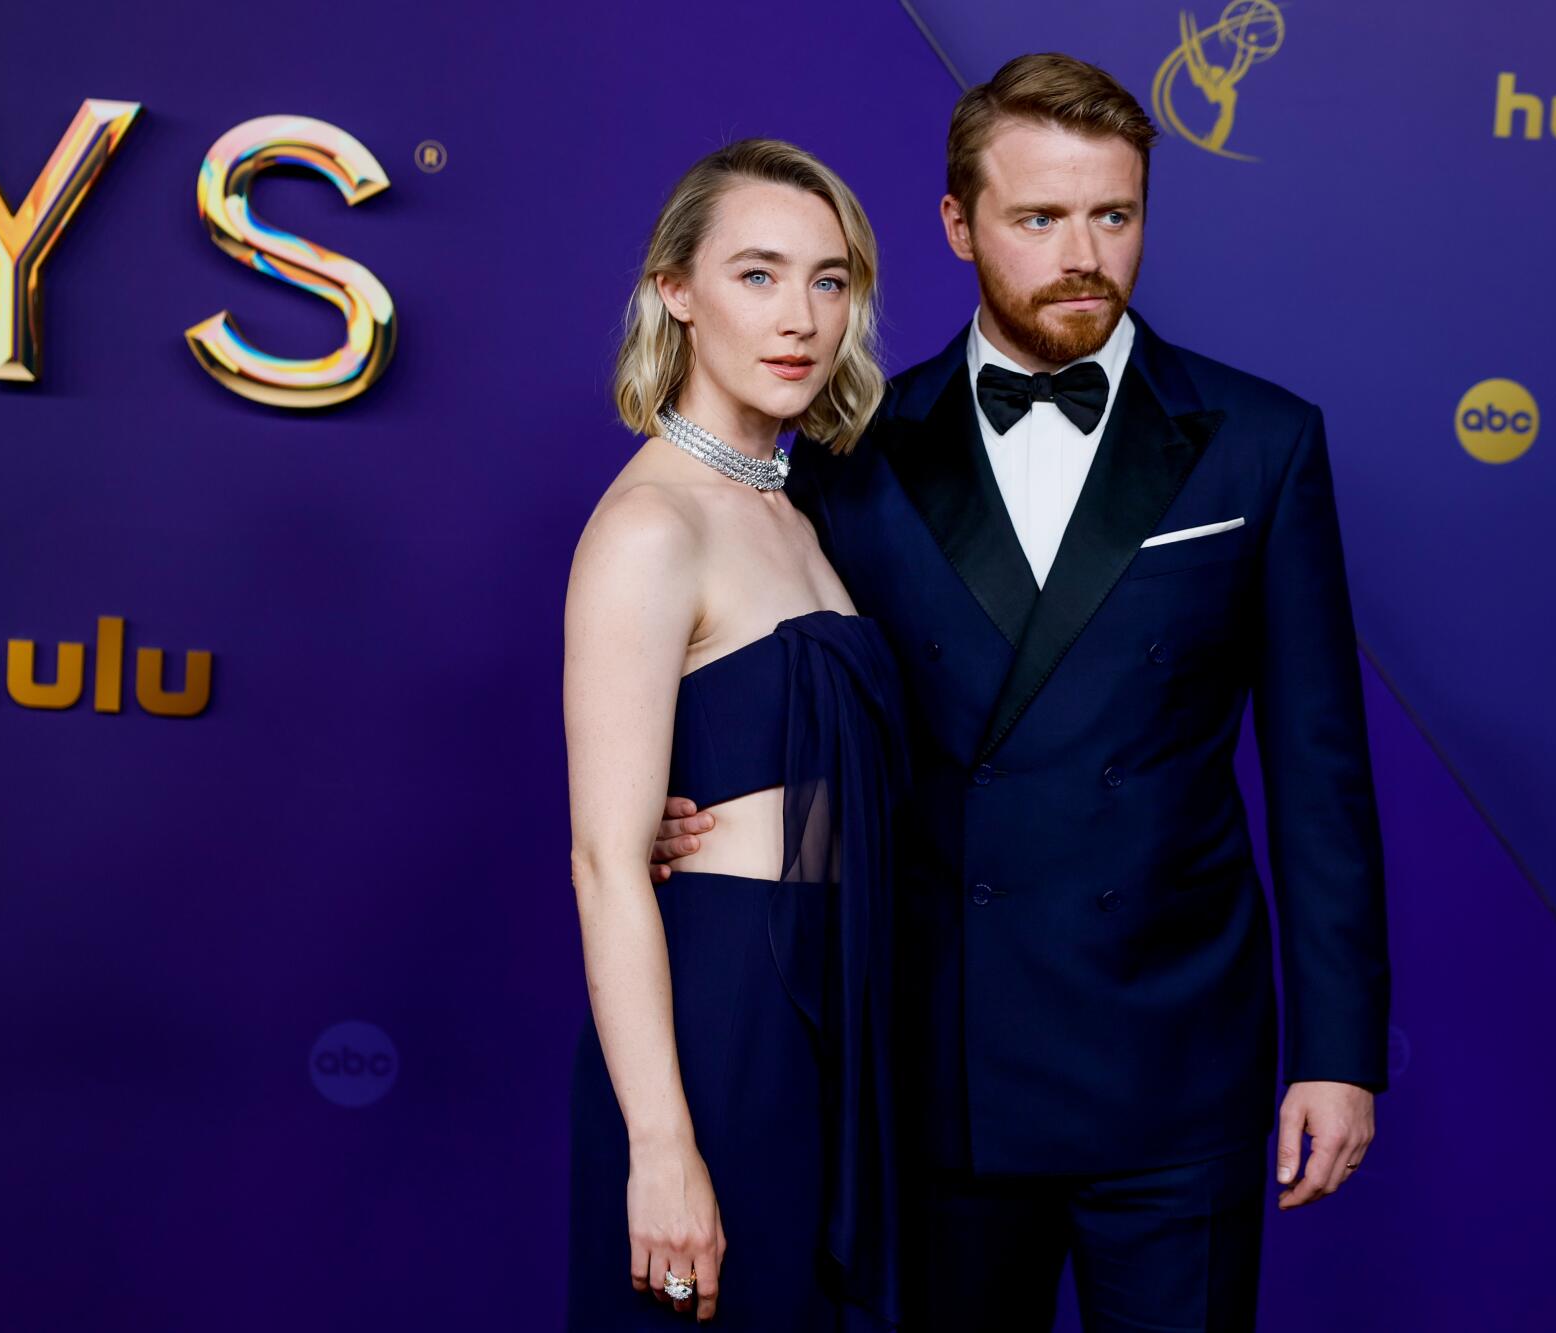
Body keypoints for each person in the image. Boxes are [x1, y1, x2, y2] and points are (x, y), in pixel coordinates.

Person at [655, 54, 1391, 1331]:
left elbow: (1318, 770)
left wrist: (1336, 1050)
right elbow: (799, 693)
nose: (1083, 254)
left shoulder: (1260, 440)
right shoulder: (852, 454)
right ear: (956, 224)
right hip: (934, 1056)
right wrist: (712, 816)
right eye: (1038, 218)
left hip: (1174, 1063)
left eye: (1113, 215)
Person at [564, 138, 906, 1330]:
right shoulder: (650, 525)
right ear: (675, 291)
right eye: (757, 275)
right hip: (729, 1004)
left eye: (829, 280)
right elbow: (605, 858)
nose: (800, 317)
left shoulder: (795, 510)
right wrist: (660, 1145)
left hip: (838, 991)